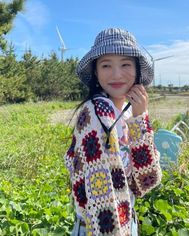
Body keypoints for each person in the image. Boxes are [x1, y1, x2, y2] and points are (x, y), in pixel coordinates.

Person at [64, 27, 162, 236]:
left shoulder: (131, 113)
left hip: (127, 221)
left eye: (125, 64)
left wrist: (140, 118)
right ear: (96, 73)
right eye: (106, 65)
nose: (116, 74)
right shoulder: (93, 113)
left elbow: (147, 179)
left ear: (137, 70)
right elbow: (101, 195)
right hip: (100, 228)